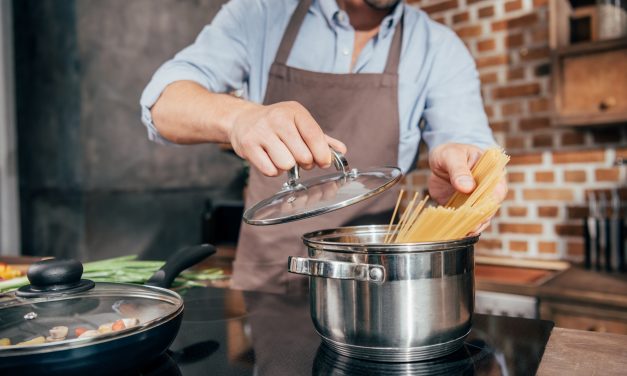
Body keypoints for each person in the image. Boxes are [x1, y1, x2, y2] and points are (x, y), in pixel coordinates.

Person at [140, 0, 507, 292]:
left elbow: (468, 140)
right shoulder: (262, 13)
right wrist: (239, 118)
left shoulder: (439, 47)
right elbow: (163, 104)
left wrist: (468, 169)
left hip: (373, 282)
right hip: (269, 278)